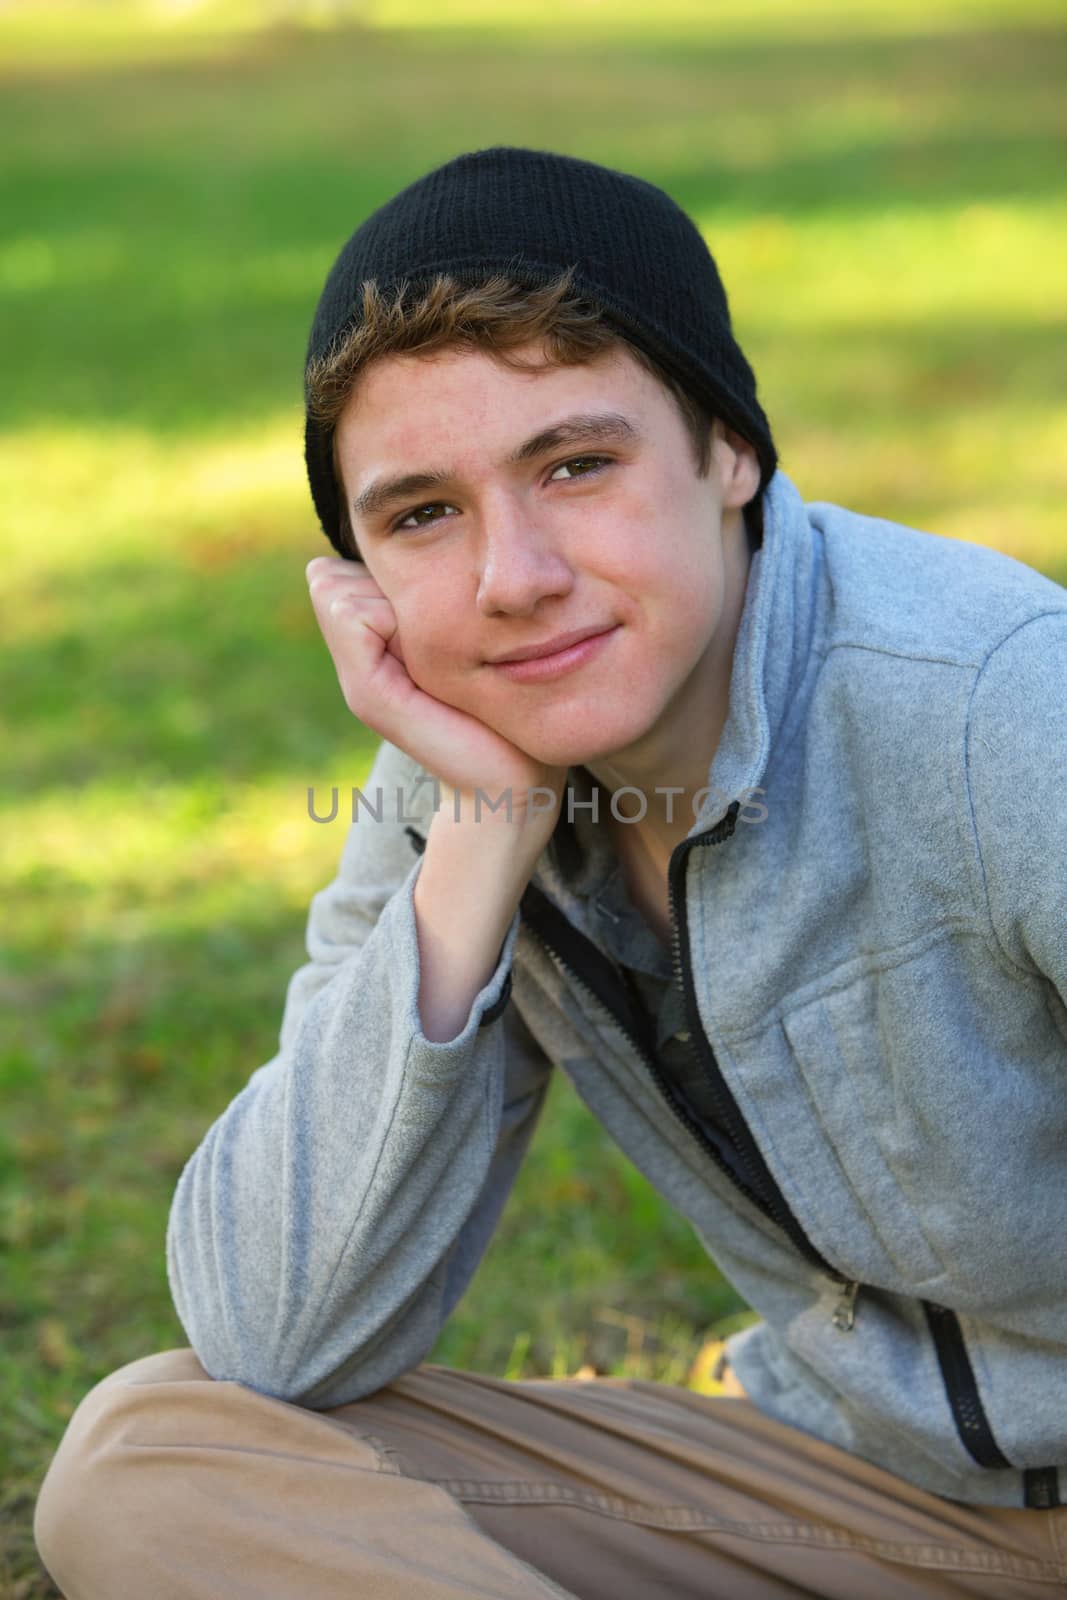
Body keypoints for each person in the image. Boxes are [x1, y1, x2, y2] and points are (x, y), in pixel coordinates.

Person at [34, 146, 1067, 1599]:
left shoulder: (998, 706)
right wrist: (483, 833)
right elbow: (281, 1332)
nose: (513, 576)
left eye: (575, 465)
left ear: (729, 450)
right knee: (152, 1463)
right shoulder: (460, 771)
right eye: (422, 516)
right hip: (874, 1502)